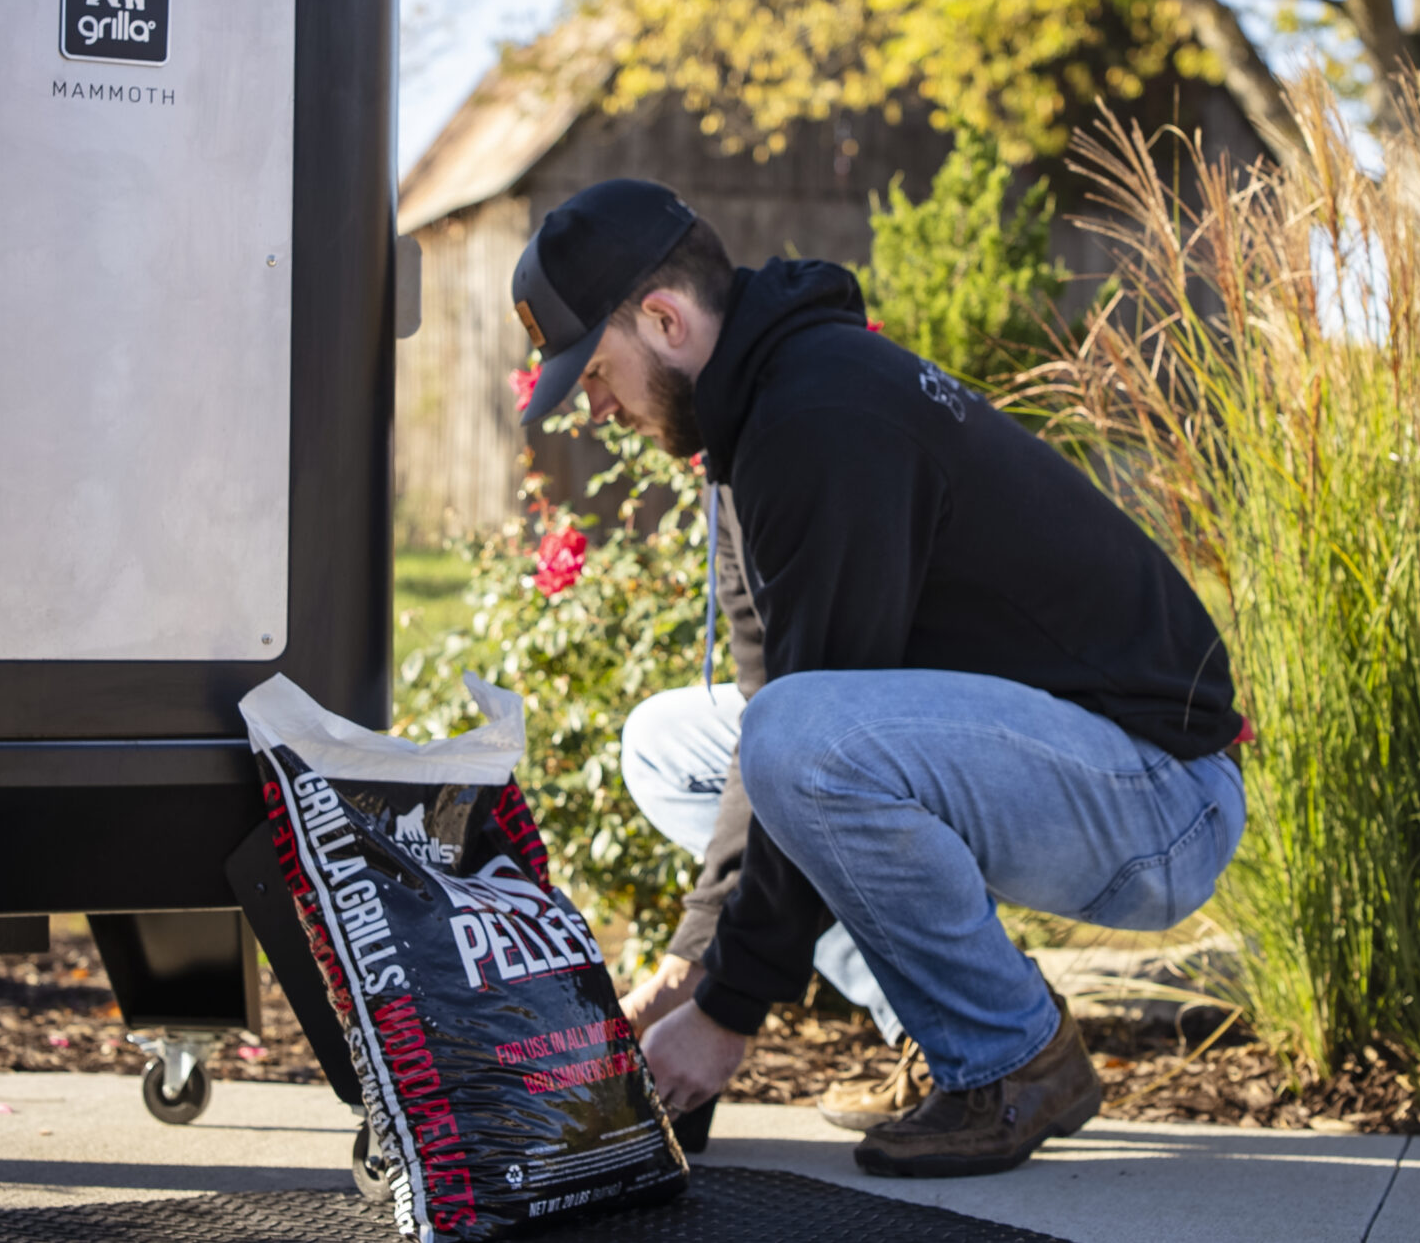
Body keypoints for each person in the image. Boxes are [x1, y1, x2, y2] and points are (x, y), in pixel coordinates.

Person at [509, 178, 1244, 1179]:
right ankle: (957, 1024)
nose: (591, 407)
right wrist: (692, 959)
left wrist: (725, 1015)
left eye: (593, 372)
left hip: (1156, 798)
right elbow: (777, 710)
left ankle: (1008, 1055)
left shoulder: (824, 415)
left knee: (795, 741)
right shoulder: (749, 430)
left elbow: (803, 736)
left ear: (664, 320)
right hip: (1052, 765)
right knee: (670, 741)